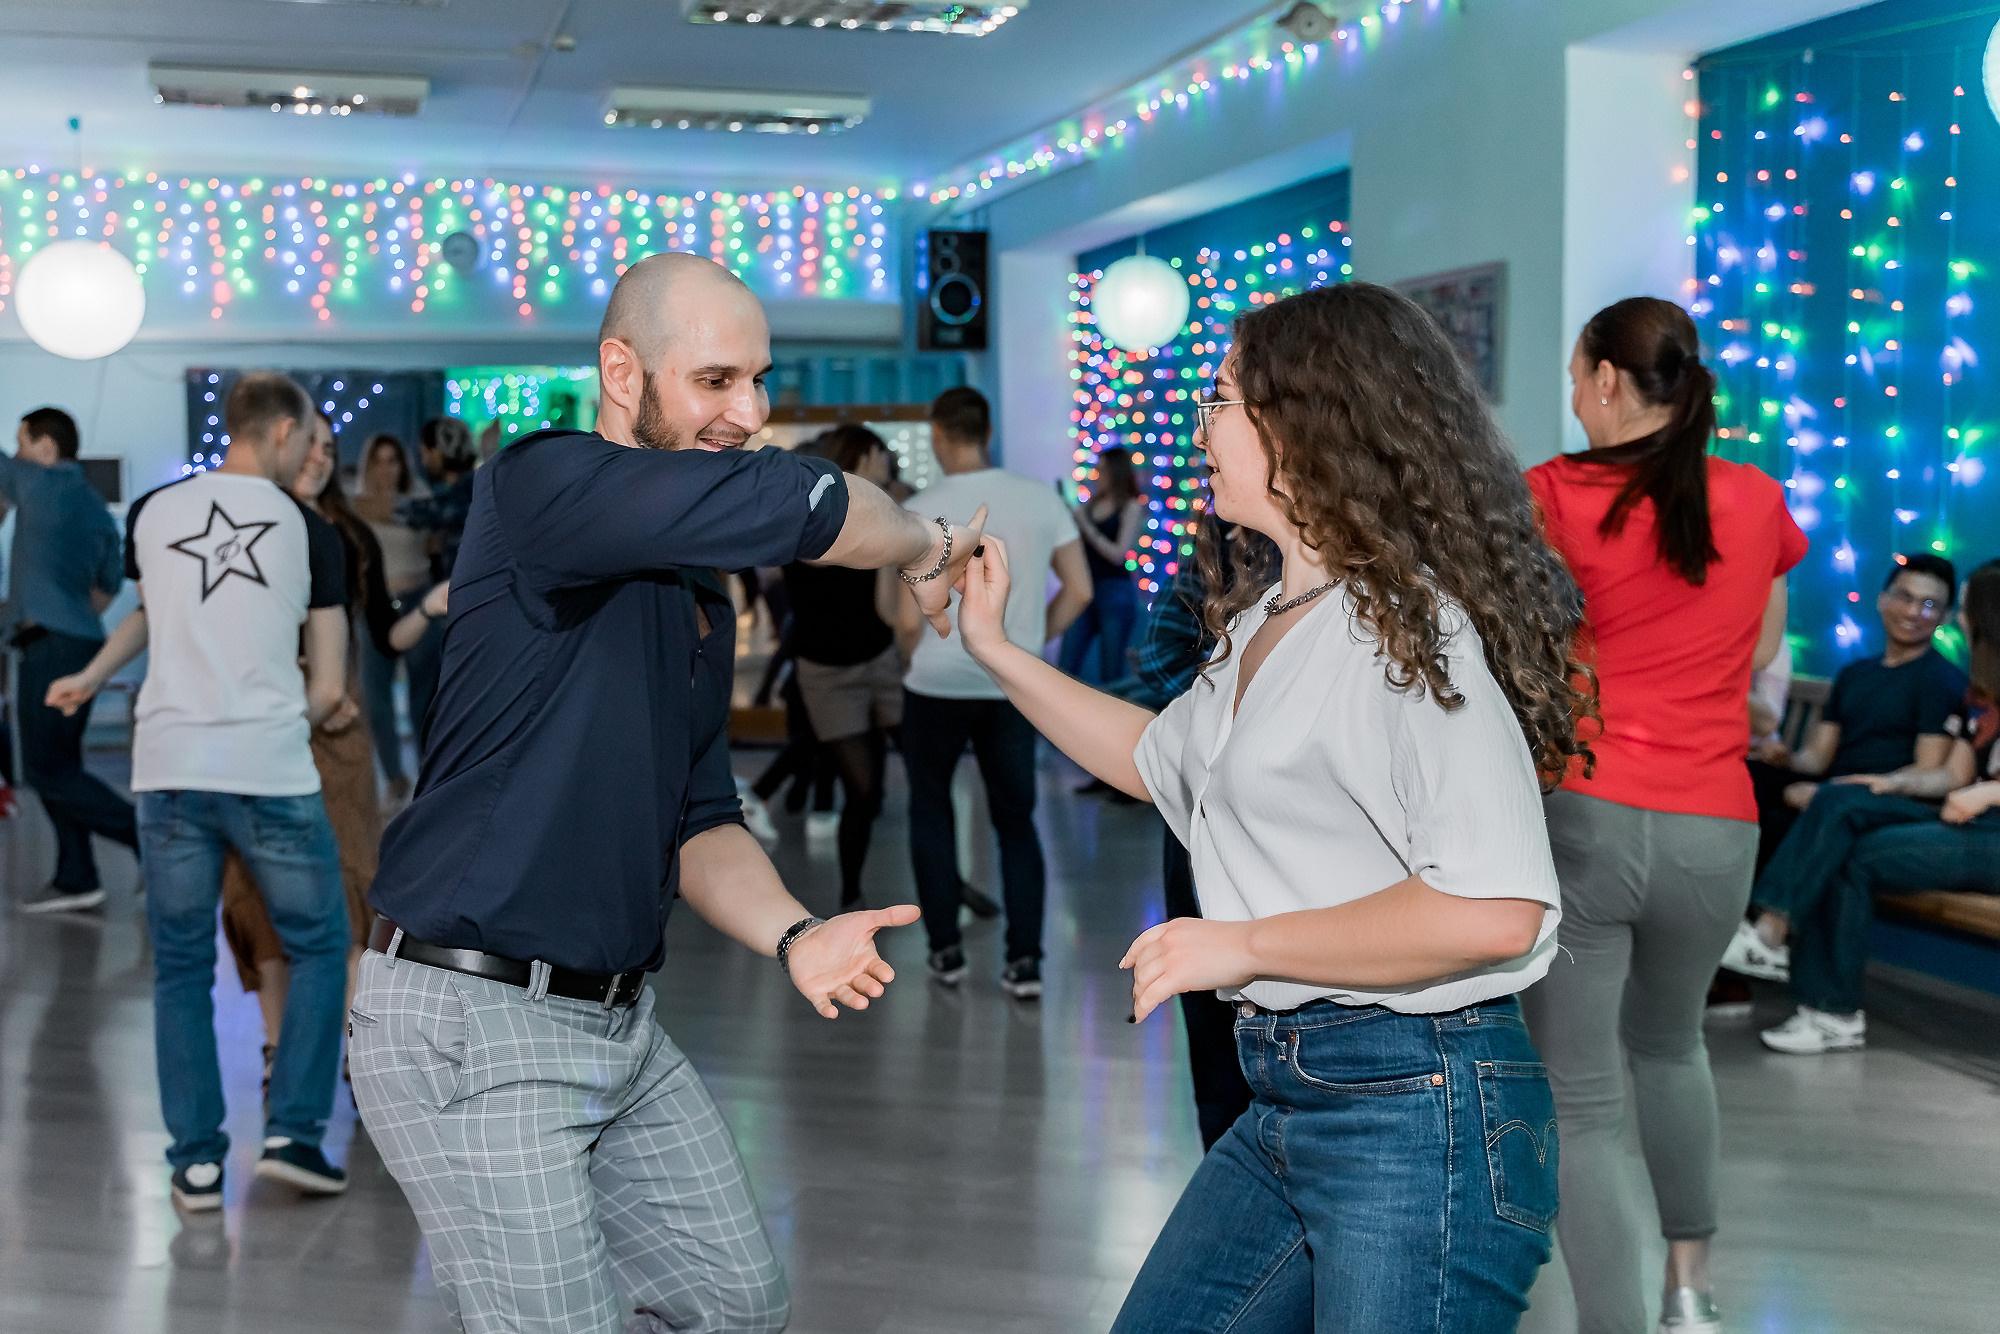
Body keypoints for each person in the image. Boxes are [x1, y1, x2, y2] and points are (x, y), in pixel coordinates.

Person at [347, 253, 986, 1334]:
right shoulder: (541, 484)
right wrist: (932, 542)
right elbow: (805, 496)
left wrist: (796, 934)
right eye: (716, 380)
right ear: (620, 368)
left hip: (616, 1023)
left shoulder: (689, 588)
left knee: (734, 1300)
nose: (749, 411)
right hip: (468, 1018)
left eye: (760, 381)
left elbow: (695, 818)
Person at [957, 282, 1581, 1329]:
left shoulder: (1408, 631)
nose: (1198, 425)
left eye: (1220, 398)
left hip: (1418, 1106)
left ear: (1308, 423)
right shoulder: (1269, 619)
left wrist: (1241, 942)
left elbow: (1493, 907)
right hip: (1291, 1096)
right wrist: (997, 652)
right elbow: (1155, 756)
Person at [1520, 297, 1807, 1334]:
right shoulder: (1753, 496)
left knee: (1582, 1098)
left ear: (1604, 379)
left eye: (1572, 375)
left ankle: (1617, 1324)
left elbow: (1521, 646)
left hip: (1586, 810)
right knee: (1672, 1046)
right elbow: (1763, 649)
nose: (1571, 396)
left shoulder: (1548, 492)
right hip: (1714, 823)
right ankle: (1690, 1290)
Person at [45, 372, 355, 1211]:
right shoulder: (308, 530)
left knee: (181, 966)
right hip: (269, 774)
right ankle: (294, 1134)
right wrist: (292, 713)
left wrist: (89, 672)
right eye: (311, 438)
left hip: (170, 772)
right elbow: (327, 688)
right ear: (284, 431)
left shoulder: (153, 512)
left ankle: (196, 1165)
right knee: (322, 946)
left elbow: (155, 611)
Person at [1724, 560, 2000, 1053]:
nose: (1955, 616)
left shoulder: (1943, 680)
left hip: (1988, 831)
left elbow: (1965, 786)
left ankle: (1782, 948)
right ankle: (1826, 1006)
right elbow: (1952, 774)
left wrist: (1987, 792)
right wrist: (1889, 783)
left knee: (1841, 825)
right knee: (1844, 829)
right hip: (1967, 820)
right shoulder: (1979, 691)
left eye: (1958, 607)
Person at [893, 385, 1092, 999]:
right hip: (1011, 687)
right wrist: (1025, 650)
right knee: (1016, 820)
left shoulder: (920, 507)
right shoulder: (1039, 500)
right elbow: (1079, 590)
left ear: (939, 434)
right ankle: (1025, 961)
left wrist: (919, 657)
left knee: (930, 810)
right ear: (987, 432)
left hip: (934, 683)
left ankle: (945, 951)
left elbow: (903, 619)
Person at [217, 413, 397, 1080]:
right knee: (254, 892)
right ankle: (276, 1047)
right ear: (279, 444)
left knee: (350, 887)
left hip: (338, 740)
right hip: (256, 734)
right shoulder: (239, 530)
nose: (320, 458)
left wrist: (436, 608)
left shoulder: (348, 535)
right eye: (309, 445)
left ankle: (349, 1047)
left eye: (330, 448)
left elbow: (384, 630)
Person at [1122, 509, 1266, 1150]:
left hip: (1240, 824)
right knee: (1213, 1034)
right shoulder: (1213, 567)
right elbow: (1155, 656)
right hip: (1201, 816)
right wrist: (1221, 716)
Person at [1741, 555, 1963, 873]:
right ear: (1882, 600)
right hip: (1833, 786)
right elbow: (1817, 757)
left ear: (1945, 616)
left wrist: (1830, 792)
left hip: (1880, 796)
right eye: (1905, 597)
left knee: (1781, 821)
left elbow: (1925, 769)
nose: (1915, 612)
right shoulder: (1854, 673)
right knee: (1751, 776)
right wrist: (1784, 758)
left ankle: (1759, 916)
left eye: (1930, 604)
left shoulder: (1942, 680)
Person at [3, 407, 137, 913]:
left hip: (51, 646)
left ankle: (141, 839)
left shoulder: (37, 483)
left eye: (22, 441)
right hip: (82, 642)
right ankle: (76, 875)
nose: (16, 453)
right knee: (61, 764)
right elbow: (109, 583)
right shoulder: (93, 504)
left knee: (45, 770)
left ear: (45, 447)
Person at [781, 425, 905, 910]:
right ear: (866, 456)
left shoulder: (872, 514)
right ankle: (851, 893)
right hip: (830, 673)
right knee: (864, 791)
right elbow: (885, 607)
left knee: (889, 787)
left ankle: (945, 883)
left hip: (876, 661)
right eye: (880, 455)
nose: (887, 464)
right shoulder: (829, 519)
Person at [351, 432, 429, 800]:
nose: (386, 468)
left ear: (403, 463)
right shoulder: (353, 504)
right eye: (378, 460)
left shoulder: (422, 501)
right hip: (375, 606)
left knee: (424, 695)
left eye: (392, 459)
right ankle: (394, 775)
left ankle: (431, 776)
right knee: (376, 695)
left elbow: (436, 545)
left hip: (419, 600)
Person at [1059, 445, 1146, 686]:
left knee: (1111, 671)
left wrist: (1085, 526)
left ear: (1116, 473)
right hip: (1084, 591)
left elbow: (1118, 554)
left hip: (1114, 593)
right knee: (1067, 667)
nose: (1098, 475)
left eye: (1103, 470)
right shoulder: (1089, 506)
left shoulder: (1131, 506)